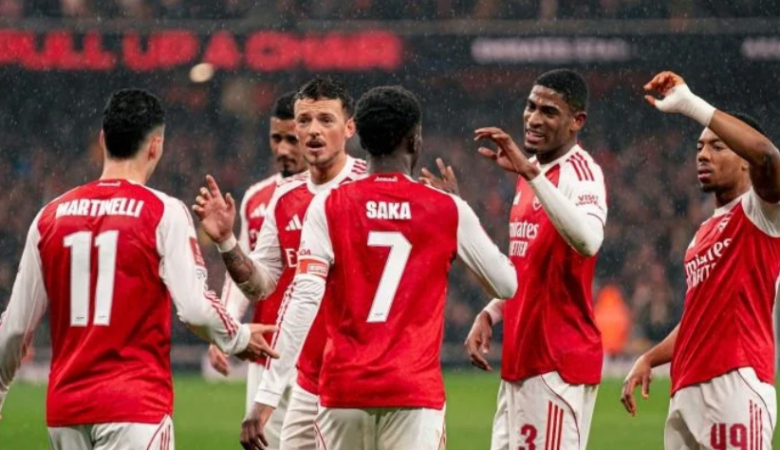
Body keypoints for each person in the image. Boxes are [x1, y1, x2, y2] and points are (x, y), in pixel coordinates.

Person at [240, 85, 517, 450]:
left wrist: (267, 396)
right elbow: (507, 285)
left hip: (343, 393)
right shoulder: (446, 209)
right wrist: (460, 220)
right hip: (413, 394)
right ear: (415, 140)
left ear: (362, 140)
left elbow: (302, 299)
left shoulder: (327, 206)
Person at [0, 89, 275, 449]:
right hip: (134, 407)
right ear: (155, 146)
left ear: (102, 139)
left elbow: (15, 327)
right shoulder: (162, 212)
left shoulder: (49, 217)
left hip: (65, 411)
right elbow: (194, 310)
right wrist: (238, 338)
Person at [194, 77, 365, 450]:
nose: (312, 131)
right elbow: (259, 283)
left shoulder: (369, 187)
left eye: (325, 119)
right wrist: (226, 241)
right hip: (296, 367)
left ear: (349, 127)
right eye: (304, 121)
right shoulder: (283, 197)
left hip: (357, 374)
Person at [621, 71, 780, 450]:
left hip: (734, 382)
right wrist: (650, 357)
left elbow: (768, 157)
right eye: (699, 147)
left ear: (745, 162)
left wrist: (693, 106)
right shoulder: (703, 233)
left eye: (718, 146)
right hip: (686, 388)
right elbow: (698, 318)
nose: (703, 155)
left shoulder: (760, 213)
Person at [465, 69, 608, 450]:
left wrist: (531, 175)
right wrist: (491, 312)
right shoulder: (531, 175)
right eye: (531, 107)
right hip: (522, 359)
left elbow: (589, 241)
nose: (533, 118)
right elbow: (527, 266)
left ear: (577, 121)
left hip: (556, 362)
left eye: (549, 111)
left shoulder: (582, 172)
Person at [206, 91, 307, 448]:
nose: (283, 149)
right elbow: (243, 271)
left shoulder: (338, 194)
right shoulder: (256, 199)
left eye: (292, 139)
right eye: (276, 138)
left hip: (320, 353)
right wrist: (227, 326)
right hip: (267, 351)